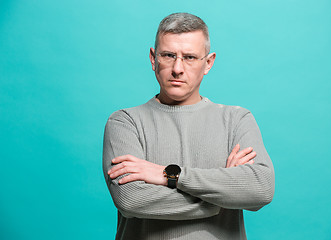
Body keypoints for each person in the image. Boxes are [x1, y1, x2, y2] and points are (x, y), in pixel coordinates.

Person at [103, 12, 275, 240]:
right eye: (168, 55)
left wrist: (170, 176)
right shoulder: (125, 122)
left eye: (190, 57)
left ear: (208, 63)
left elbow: (261, 189)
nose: (177, 68)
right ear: (153, 59)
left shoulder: (237, 119)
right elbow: (131, 199)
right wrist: (221, 197)